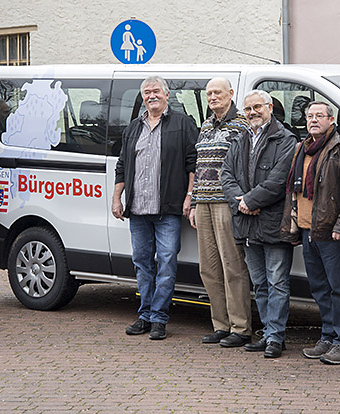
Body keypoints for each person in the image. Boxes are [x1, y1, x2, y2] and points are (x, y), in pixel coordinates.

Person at [112, 76, 197, 340]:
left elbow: (193, 164)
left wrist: (189, 196)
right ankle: (145, 315)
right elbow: (122, 165)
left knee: (167, 262)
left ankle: (159, 317)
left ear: (167, 94)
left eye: (156, 91)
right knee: (141, 263)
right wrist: (117, 198)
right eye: (147, 92)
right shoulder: (133, 128)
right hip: (137, 210)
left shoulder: (183, 124)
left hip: (168, 210)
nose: (152, 96)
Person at [281, 101, 340, 365]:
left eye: (319, 116)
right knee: (319, 288)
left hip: (331, 232)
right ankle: (327, 336)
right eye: (310, 116)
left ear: (332, 120)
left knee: (339, 289)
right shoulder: (301, 148)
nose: (313, 120)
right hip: (307, 230)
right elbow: (292, 193)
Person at [220, 90, 296, 358]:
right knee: (260, 283)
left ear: (270, 107)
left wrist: (250, 201)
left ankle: (276, 336)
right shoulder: (240, 139)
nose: (252, 112)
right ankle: (267, 333)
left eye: (257, 107)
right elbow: (226, 174)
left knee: (277, 282)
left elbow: (279, 180)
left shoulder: (286, 139)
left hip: (273, 223)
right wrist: (240, 201)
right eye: (248, 109)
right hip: (246, 224)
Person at [188, 78, 253, 348]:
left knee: (233, 267)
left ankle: (241, 327)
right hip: (203, 203)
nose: (213, 97)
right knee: (209, 268)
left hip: (226, 204)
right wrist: (192, 202)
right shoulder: (204, 125)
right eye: (209, 93)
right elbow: (200, 165)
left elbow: (246, 164)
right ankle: (220, 325)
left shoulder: (241, 124)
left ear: (231, 93)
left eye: (218, 92)